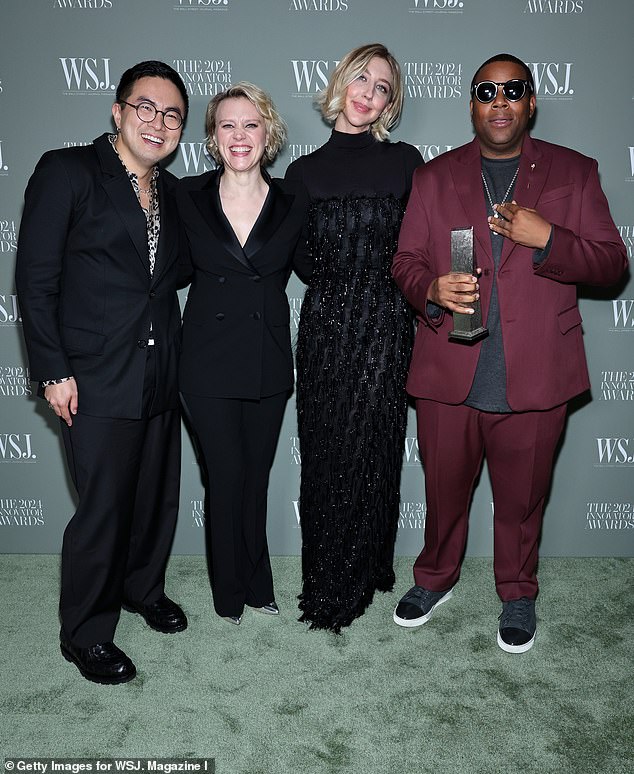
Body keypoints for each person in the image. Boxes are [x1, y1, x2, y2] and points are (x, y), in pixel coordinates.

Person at [391, 53, 627, 653]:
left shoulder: (575, 172)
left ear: (530, 103)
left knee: (522, 504)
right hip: (450, 371)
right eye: (487, 91)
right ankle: (435, 578)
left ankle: (518, 592)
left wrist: (547, 237)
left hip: (537, 375)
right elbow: (405, 263)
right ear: (472, 104)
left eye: (513, 90)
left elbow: (611, 263)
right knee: (443, 496)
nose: (500, 100)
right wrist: (430, 289)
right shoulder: (433, 177)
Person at [15, 61, 189, 684]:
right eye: (145, 107)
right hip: (92, 376)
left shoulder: (172, 192)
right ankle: (85, 633)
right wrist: (53, 370)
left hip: (160, 370)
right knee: (102, 509)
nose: (157, 122)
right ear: (117, 111)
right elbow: (35, 283)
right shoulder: (67, 171)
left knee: (154, 500)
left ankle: (142, 590)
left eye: (171, 115)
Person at [285, 43, 423, 632]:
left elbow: (421, 247)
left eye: (383, 87)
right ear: (340, 81)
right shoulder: (301, 173)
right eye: (361, 78)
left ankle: (368, 565)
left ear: (390, 104)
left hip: (389, 324)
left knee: (375, 448)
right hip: (326, 328)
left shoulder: (406, 162)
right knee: (325, 449)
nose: (368, 92)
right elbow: (302, 263)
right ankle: (330, 581)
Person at [177, 83, 311, 626]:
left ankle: (260, 587)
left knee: (255, 477)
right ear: (211, 138)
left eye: (250, 125)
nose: (239, 135)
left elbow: (319, 269)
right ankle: (228, 593)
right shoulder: (185, 195)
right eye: (227, 125)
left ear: (268, 134)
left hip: (267, 359)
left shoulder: (293, 202)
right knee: (225, 477)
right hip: (205, 361)